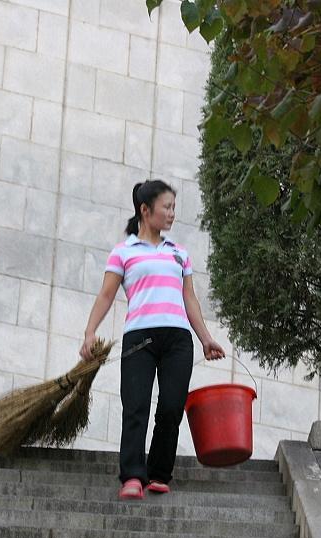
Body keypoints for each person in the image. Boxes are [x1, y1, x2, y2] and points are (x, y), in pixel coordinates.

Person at [80, 179, 225, 500]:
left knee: (171, 408)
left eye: (174, 207)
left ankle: (159, 474)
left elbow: (190, 299)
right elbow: (106, 295)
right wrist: (90, 331)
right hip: (139, 339)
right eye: (167, 207)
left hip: (178, 341)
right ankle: (132, 475)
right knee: (136, 407)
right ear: (146, 211)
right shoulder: (123, 252)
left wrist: (206, 339)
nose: (172, 214)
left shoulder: (179, 254)